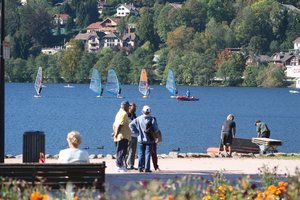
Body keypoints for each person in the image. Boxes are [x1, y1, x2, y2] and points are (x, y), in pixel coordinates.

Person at [129, 105, 159, 173]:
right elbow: (156, 129)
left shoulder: (138, 118)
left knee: (140, 154)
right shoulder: (152, 119)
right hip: (150, 139)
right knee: (148, 154)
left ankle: (140, 167)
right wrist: (156, 137)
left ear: (142, 111)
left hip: (140, 139)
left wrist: (136, 132)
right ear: (149, 112)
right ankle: (147, 168)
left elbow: (131, 125)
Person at [112, 101, 131, 172]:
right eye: (128, 106)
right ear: (125, 106)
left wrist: (114, 133)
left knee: (119, 151)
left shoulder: (118, 113)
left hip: (119, 135)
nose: (129, 107)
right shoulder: (124, 114)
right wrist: (116, 134)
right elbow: (120, 125)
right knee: (122, 151)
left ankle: (119, 165)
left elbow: (114, 124)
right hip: (122, 135)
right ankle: (120, 166)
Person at [125, 102, 138, 170]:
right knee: (127, 151)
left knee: (133, 151)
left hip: (135, 135)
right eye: (134, 106)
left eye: (135, 107)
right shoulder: (127, 115)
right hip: (128, 135)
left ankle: (131, 165)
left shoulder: (135, 115)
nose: (135, 108)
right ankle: (124, 164)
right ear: (130, 107)